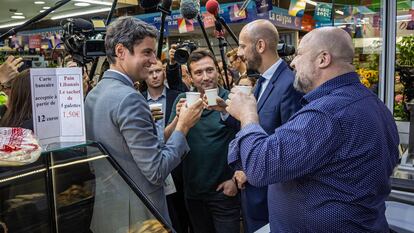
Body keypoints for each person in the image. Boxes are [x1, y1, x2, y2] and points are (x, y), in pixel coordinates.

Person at [225, 27, 399, 232]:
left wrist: (248, 115)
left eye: (299, 54)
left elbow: (259, 167)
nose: (293, 62)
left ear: (323, 59)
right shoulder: (374, 104)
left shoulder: (327, 114)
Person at [84, 16, 204, 232]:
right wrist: (183, 127)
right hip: (140, 217)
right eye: (146, 52)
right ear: (121, 51)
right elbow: (156, 171)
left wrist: (176, 120)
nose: (152, 60)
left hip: (108, 214)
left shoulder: (95, 93)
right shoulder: (130, 98)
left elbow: (134, 149)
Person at [212, 19, 303, 233]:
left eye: (243, 46)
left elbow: (290, 148)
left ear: (260, 46)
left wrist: (249, 171)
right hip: (253, 194)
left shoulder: (289, 84)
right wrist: (226, 110)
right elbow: (253, 125)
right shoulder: (262, 81)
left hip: (270, 197)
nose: (240, 53)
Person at [165, 48, 241, 233]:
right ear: (190, 78)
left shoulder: (231, 99)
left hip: (224, 192)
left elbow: (247, 138)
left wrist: (235, 180)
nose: (205, 77)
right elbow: (165, 139)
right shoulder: (183, 100)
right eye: (198, 72)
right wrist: (178, 118)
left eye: (209, 70)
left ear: (217, 70)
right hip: (193, 194)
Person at [141, 59, 193, 233]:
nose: (155, 75)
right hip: (151, 165)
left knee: (182, 215)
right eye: (150, 72)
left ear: (164, 72)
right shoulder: (137, 100)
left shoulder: (176, 95)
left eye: (158, 71)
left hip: (177, 164)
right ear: (144, 75)